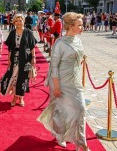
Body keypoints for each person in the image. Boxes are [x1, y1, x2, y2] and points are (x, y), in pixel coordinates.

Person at [37, 12, 89, 151]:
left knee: (81, 109)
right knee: (61, 110)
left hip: (74, 81)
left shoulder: (78, 40)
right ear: (71, 26)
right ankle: (62, 137)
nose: (83, 27)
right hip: (60, 81)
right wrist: (56, 86)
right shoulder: (60, 43)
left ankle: (79, 142)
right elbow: (53, 65)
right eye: (80, 25)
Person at [0, 14, 37, 107]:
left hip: (26, 59)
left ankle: (21, 97)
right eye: (16, 21)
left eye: (20, 20)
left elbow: (32, 46)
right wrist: (8, 58)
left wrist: (33, 57)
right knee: (13, 78)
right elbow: (10, 48)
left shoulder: (28, 32)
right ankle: (14, 96)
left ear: (23, 21)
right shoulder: (12, 33)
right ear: (14, 22)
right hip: (14, 58)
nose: (18, 22)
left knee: (23, 78)